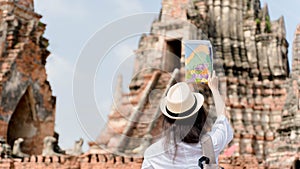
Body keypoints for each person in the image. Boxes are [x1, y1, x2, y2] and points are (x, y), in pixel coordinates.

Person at [142, 71, 233, 169]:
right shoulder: (212, 143)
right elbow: (224, 119)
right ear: (200, 115)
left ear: (168, 120)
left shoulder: (153, 154)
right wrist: (214, 88)